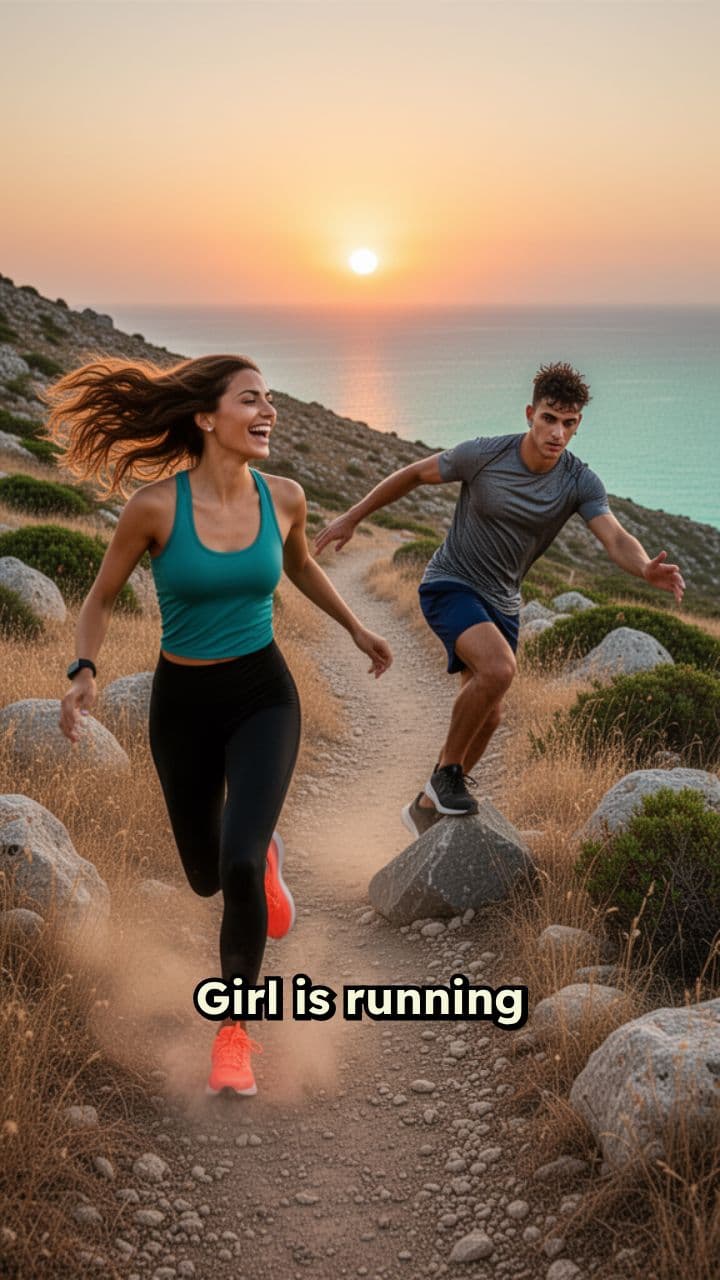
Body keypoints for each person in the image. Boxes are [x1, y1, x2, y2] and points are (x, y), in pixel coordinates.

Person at [51, 353, 392, 1097]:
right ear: (207, 417)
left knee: (235, 863)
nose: (267, 412)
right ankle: (259, 861)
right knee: (209, 876)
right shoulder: (155, 508)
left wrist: (358, 629)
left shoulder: (287, 497)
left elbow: (300, 567)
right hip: (183, 707)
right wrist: (83, 672)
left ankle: (234, 1037)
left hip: (264, 694)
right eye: (250, 400)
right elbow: (101, 598)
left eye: (271, 399)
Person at [315, 361, 685, 839]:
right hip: (451, 583)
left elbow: (614, 537)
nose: (557, 432)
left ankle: (426, 807)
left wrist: (644, 568)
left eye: (568, 423)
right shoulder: (483, 455)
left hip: (503, 602)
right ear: (531, 412)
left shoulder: (578, 481)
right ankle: (446, 775)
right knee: (499, 670)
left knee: (489, 717)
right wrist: (352, 515)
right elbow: (412, 475)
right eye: (549, 418)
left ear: (578, 426)